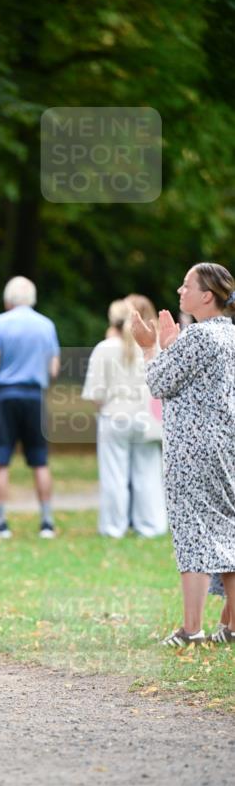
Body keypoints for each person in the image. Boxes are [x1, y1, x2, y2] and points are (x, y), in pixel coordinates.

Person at [131, 262, 235, 646]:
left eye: (186, 285)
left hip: (192, 450)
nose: (179, 290)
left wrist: (148, 348)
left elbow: (159, 383)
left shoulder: (200, 336)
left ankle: (191, 629)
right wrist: (170, 348)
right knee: (227, 529)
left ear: (206, 295)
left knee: (192, 532)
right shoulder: (229, 335)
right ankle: (231, 626)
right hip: (225, 444)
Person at [82, 296, 166, 538]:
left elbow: (96, 394)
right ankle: (150, 525)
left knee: (114, 476)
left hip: (114, 417)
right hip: (145, 419)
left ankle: (113, 527)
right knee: (147, 474)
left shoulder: (104, 349)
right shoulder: (151, 347)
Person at [0, 275, 60, 538]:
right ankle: (47, 521)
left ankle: (0, 522)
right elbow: (54, 367)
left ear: (9, 298)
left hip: (6, 395)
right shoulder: (46, 325)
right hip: (34, 396)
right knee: (39, 459)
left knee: (0, 460)